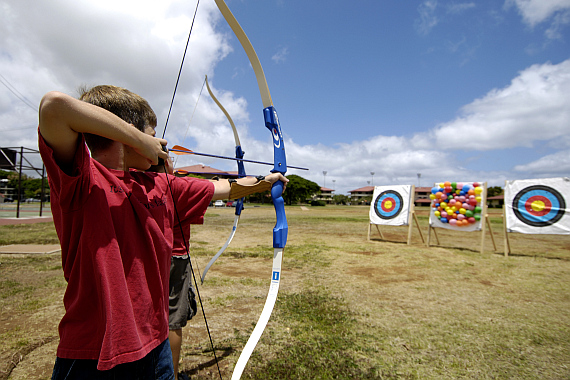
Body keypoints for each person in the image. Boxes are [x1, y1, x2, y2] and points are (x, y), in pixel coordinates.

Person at [38, 85, 287, 379]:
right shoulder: (80, 180)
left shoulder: (163, 185)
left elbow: (225, 186)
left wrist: (265, 181)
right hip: (94, 353)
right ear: (130, 134)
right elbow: (53, 106)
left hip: (156, 347)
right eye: (152, 134)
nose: (160, 142)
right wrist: (140, 139)